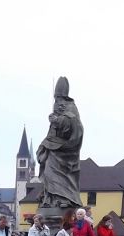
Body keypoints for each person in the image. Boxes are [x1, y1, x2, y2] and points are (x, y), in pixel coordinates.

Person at [37, 77, 84, 210]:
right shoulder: (57, 105)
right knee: (48, 171)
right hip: (54, 147)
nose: (57, 100)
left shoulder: (71, 107)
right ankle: (51, 198)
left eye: (59, 97)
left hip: (65, 149)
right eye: (56, 98)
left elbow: (74, 125)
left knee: (58, 173)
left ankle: (65, 198)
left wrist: (58, 121)